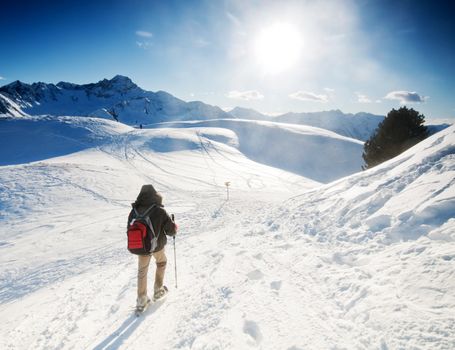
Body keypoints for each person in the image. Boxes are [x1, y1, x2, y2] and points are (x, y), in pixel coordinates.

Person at [127, 184, 177, 309]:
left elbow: (129, 228)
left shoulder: (134, 211)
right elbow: (171, 231)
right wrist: (174, 226)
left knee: (142, 271)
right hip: (156, 246)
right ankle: (158, 289)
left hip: (141, 247)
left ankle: (141, 299)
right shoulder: (159, 210)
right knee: (161, 262)